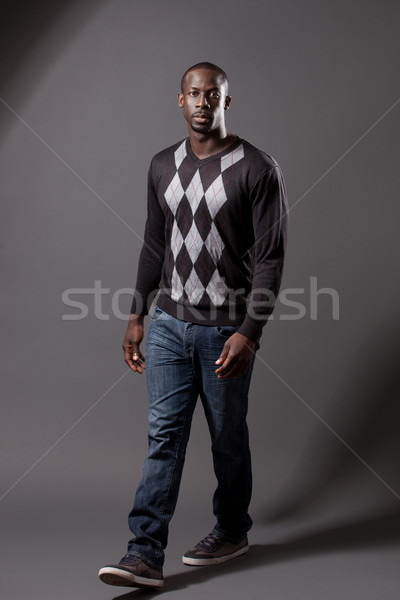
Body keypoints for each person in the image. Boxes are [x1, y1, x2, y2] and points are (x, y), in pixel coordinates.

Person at [99, 62, 288, 589]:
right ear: (179, 101)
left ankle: (232, 529)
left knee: (227, 437)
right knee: (164, 436)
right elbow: (155, 244)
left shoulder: (257, 169)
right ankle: (144, 554)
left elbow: (270, 260)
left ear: (229, 101)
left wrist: (249, 332)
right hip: (166, 325)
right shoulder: (163, 165)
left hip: (224, 331)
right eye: (194, 94)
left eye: (214, 94)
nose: (203, 102)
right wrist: (137, 314)